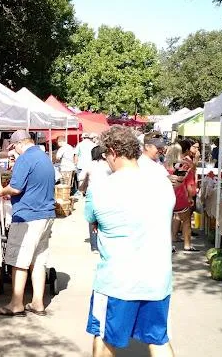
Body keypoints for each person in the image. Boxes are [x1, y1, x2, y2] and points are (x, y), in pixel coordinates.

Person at [85, 125, 175, 357]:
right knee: (158, 340)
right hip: (157, 279)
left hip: (118, 282)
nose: (106, 161)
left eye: (106, 156)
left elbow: (91, 219)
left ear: (113, 152)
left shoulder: (102, 187)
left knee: (105, 340)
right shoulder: (163, 183)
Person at [0, 132, 55, 317]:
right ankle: (37, 303)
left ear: (19, 144)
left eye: (13, 148)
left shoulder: (25, 159)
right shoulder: (44, 157)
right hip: (45, 214)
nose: (14, 152)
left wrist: (0, 191)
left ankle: (16, 304)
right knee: (38, 260)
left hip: (28, 216)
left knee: (19, 260)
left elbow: (16, 187)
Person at [83, 145, 111, 253]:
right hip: (106, 193)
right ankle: (103, 242)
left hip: (92, 193)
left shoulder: (90, 165)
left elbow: (81, 177)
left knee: (92, 219)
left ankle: (94, 246)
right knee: (104, 218)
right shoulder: (108, 165)